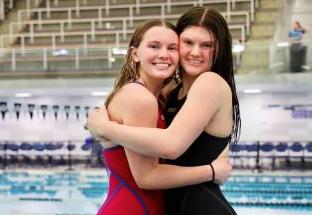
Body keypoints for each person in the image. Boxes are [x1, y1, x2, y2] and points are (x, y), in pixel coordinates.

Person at [87, 6, 241, 215]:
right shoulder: (170, 92)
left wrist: (104, 128)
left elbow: (172, 146)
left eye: (207, 45)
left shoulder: (210, 82)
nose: (195, 52)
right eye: (187, 42)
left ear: (219, 50)